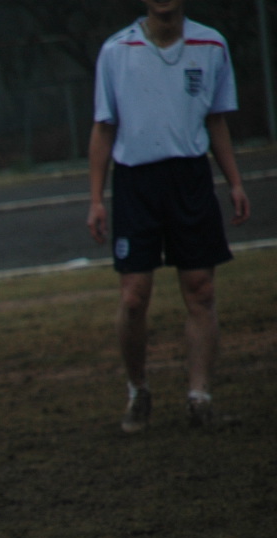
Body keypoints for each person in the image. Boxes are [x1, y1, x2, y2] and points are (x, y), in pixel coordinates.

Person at [87, 0, 250, 433]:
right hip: (136, 183)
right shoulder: (116, 51)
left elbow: (216, 120)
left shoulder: (211, 45)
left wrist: (234, 182)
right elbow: (103, 127)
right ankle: (138, 390)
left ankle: (200, 397)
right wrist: (96, 199)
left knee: (201, 290)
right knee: (133, 297)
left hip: (190, 179)